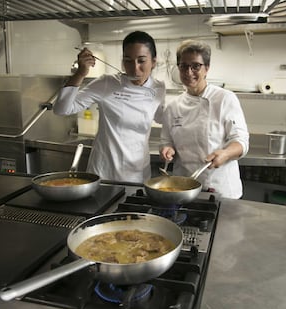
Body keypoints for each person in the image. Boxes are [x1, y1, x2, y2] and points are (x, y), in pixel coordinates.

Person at [54, 31, 165, 183]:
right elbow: (62, 109)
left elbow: (161, 117)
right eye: (128, 60)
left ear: (153, 62)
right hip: (103, 173)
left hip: (137, 175)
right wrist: (80, 73)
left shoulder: (158, 88)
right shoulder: (107, 83)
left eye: (141, 61)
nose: (134, 68)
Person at [160, 39, 249, 199]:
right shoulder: (173, 106)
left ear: (206, 68)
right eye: (184, 66)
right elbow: (166, 141)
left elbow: (241, 141)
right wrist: (167, 149)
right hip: (183, 188)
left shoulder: (224, 99)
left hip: (221, 189)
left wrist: (226, 153)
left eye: (196, 66)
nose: (189, 72)